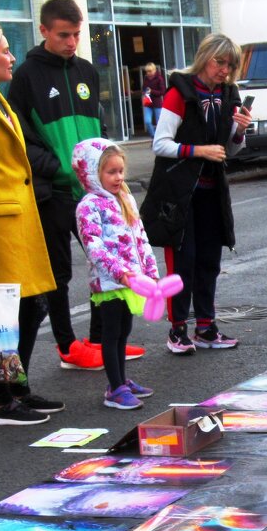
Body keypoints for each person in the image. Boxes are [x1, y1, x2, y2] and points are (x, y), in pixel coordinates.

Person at [7, 0, 125, 371]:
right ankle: (67, 346)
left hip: (92, 191)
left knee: (104, 262)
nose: (71, 42)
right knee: (58, 272)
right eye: (63, 35)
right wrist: (57, 166)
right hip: (55, 192)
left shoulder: (87, 71)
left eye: (76, 34)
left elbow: (99, 124)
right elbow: (20, 136)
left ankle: (99, 340)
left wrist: (104, 165)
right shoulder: (26, 75)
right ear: (44, 31)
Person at [0, 24, 61, 426]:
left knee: (24, 306)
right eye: (4, 51)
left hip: (13, 222)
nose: (11, 57)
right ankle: (1, 402)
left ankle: (16, 387)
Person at [140, 33, 252, 354]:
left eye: (230, 65)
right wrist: (198, 150)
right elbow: (160, 143)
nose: (224, 70)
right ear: (205, 58)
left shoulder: (228, 93)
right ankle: (177, 330)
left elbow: (229, 148)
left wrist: (241, 129)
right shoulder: (180, 93)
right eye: (220, 62)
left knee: (208, 260)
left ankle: (206, 326)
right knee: (182, 264)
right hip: (178, 194)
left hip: (211, 192)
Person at [72, 139, 158, 409]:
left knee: (124, 330)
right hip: (109, 282)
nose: (118, 177)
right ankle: (114, 389)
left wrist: (150, 270)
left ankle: (120, 380)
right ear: (92, 174)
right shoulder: (88, 206)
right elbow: (93, 247)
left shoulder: (126, 198)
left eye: (121, 171)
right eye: (111, 172)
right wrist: (120, 273)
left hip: (130, 279)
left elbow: (140, 236)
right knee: (111, 333)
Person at [141, 62, 165, 138]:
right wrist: (144, 95)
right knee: (147, 121)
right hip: (148, 102)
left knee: (159, 122)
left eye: (150, 71)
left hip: (157, 103)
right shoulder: (146, 78)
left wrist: (152, 91)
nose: (148, 73)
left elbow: (162, 91)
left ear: (154, 70)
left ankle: (159, 138)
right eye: (147, 71)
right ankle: (154, 136)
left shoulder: (159, 79)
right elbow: (144, 89)